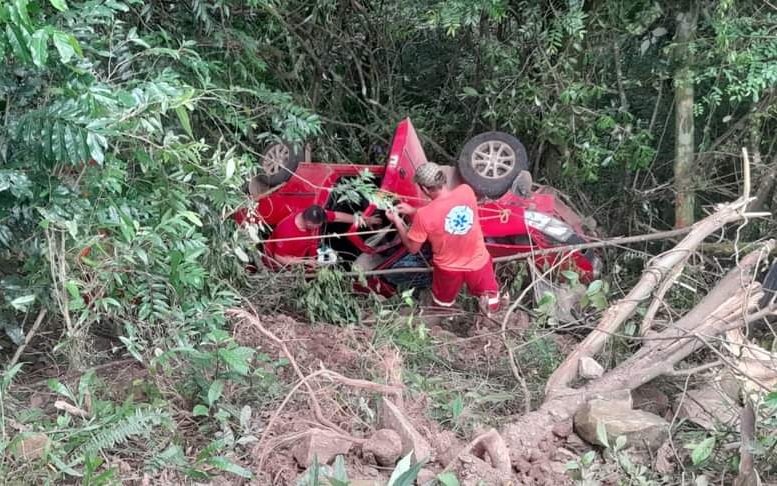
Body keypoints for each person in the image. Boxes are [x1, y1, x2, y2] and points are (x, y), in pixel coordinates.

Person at [385, 162, 500, 313]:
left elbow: (413, 248)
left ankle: (445, 318)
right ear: (444, 179)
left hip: (448, 269)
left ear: (425, 188)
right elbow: (444, 209)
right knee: (491, 297)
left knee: (443, 302)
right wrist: (413, 210)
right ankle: (491, 318)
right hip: (478, 261)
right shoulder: (466, 191)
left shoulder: (424, 215)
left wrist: (398, 222)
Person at [264, 205, 380, 268]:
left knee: (332, 258)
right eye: (318, 226)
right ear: (309, 223)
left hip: (306, 254)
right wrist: (305, 262)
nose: (320, 226)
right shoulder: (286, 231)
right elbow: (279, 257)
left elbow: (337, 216)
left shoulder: (313, 213)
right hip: (279, 266)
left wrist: (362, 220)